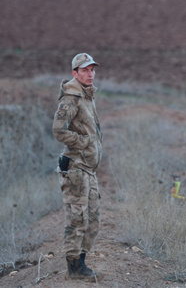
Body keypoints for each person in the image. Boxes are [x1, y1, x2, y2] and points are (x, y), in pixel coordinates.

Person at [53, 53, 103, 281]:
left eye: (92, 69)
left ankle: (81, 263)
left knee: (93, 218)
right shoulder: (71, 98)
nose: (90, 73)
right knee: (77, 219)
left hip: (88, 168)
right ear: (75, 73)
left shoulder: (87, 95)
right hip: (75, 168)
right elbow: (58, 130)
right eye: (85, 70)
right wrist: (83, 142)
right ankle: (73, 268)